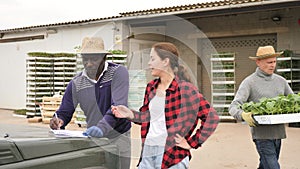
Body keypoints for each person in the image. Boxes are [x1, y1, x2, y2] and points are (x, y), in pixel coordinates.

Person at [111, 42, 219, 169]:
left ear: (165, 61)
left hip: (172, 156)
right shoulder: (151, 87)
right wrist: (129, 114)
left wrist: (191, 143)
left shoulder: (186, 90)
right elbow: (148, 117)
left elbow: (211, 117)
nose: (149, 63)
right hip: (148, 152)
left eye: (152, 59)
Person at [49, 37, 131, 169]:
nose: (89, 63)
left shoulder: (118, 73)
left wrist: (102, 127)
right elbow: (65, 111)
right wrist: (58, 120)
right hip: (94, 137)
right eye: (85, 59)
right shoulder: (77, 83)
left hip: (119, 136)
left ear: (104, 57)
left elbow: (118, 107)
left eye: (94, 59)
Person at [229, 45, 294, 169]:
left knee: (265, 166)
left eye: (274, 62)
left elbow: (293, 101)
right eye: (269, 62)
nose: (272, 65)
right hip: (261, 135)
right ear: (258, 62)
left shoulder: (281, 81)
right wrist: (243, 115)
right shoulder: (249, 82)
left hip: (278, 134)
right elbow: (233, 106)